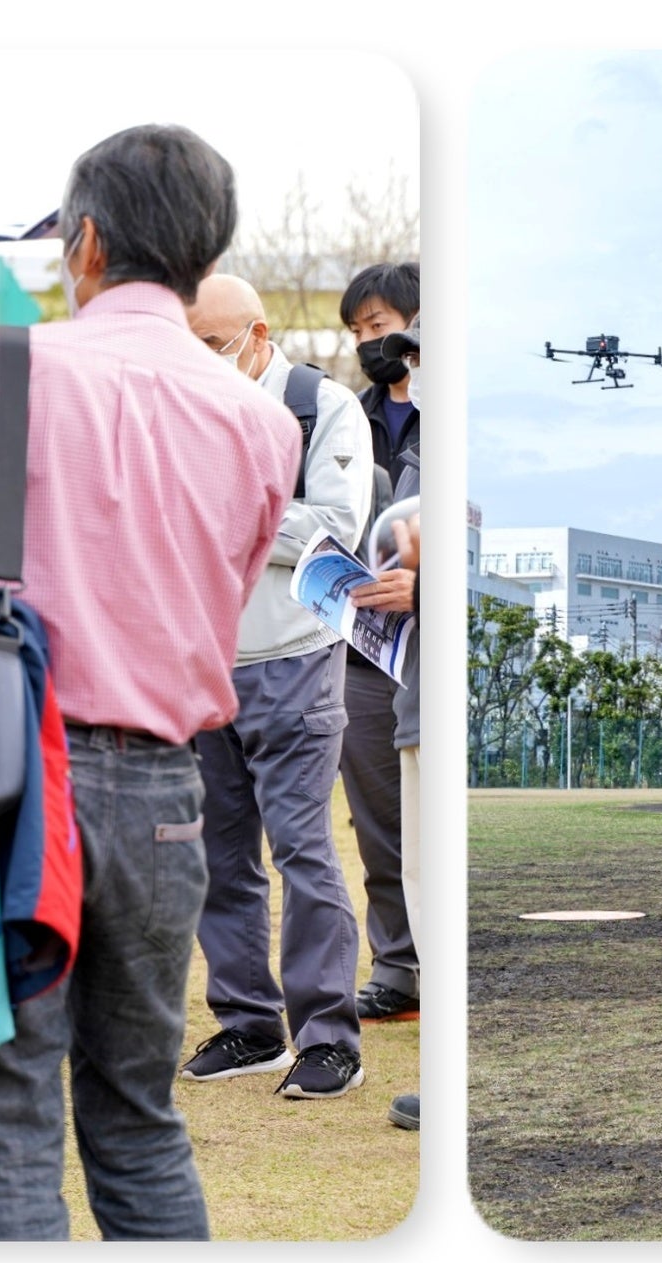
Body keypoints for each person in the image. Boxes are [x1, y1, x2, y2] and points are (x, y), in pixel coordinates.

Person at [0, 123, 295, 1239]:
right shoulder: (262, 419)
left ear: (86, 240)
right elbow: (227, 582)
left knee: (9, 1122)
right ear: (206, 256)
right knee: (139, 1118)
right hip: (167, 795)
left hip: (7, 784)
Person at [173, 274, 375, 1099]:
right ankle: (249, 1023)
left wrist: (241, 504)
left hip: (295, 656)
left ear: (257, 335)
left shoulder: (321, 408)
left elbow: (336, 530)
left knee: (302, 850)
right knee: (220, 858)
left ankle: (329, 1037)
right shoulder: (179, 412)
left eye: (213, 346)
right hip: (204, 663)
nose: (200, 362)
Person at [338, 261, 429, 1027]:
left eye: (380, 327)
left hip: (433, 648)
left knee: (429, 814)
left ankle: (443, 964)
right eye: (360, 333)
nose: (371, 343)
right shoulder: (344, 417)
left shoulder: (456, 413)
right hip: (364, 646)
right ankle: (397, 967)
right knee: (377, 819)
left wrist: (425, 592)